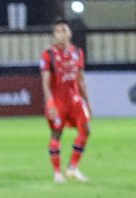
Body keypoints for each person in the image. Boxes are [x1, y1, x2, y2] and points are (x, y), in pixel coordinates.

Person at [40, 18, 91, 183]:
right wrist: (50, 103)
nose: (61, 34)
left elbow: (80, 79)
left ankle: (72, 167)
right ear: (54, 35)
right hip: (59, 100)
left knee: (86, 130)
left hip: (75, 100)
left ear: (69, 33)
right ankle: (57, 173)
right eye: (58, 31)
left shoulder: (77, 52)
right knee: (56, 133)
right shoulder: (49, 54)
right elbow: (45, 82)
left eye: (64, 30)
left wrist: (87, 101)